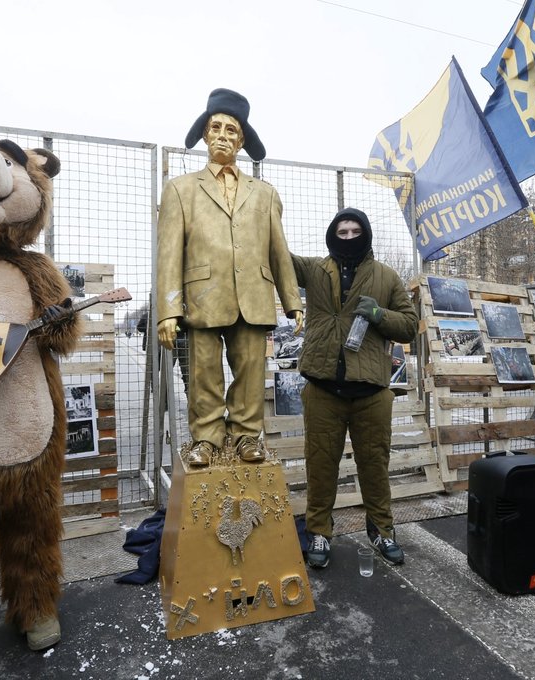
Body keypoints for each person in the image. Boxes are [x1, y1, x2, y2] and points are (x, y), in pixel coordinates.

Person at [156, 88, 303, 467]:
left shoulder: (266, 194)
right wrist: (167, 309)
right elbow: (169, 253)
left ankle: (246, 437)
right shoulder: (180, 189)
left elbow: (278, 250)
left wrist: (292, 300)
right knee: (203, 373)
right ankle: (206, 438)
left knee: (251, 372)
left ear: (241, 140)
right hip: (203, 297)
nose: (222, 135)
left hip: (253, 295)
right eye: (215, 127)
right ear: (205, 135)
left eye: (231, 130)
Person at [291, 207, 418, 569]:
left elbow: (409, 326)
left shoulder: (386, 276)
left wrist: (379, 315)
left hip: (372, 393)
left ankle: (381, 529)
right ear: (333, 234)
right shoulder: (316, 270)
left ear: (366, 234)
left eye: (355, 231)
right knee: (320, 465)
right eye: (342, 231)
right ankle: (319, 530)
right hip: (323, 390)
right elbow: (276, 258)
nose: (348, 237)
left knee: (375, 466)